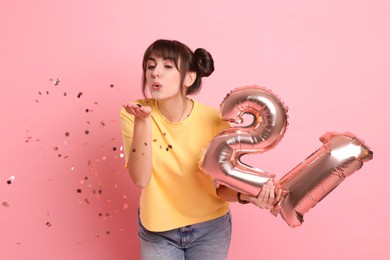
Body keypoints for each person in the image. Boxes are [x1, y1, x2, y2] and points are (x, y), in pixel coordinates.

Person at [120, 39, 282, 260]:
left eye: (167, 66)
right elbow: (140, 179)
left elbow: (222, 187)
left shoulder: (215, 121)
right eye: (151, 66)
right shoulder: (134, 113)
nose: (156, 73)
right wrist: (143, 122)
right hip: (158, 230)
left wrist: (249, 196)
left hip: (210, 228)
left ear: (189, 77)